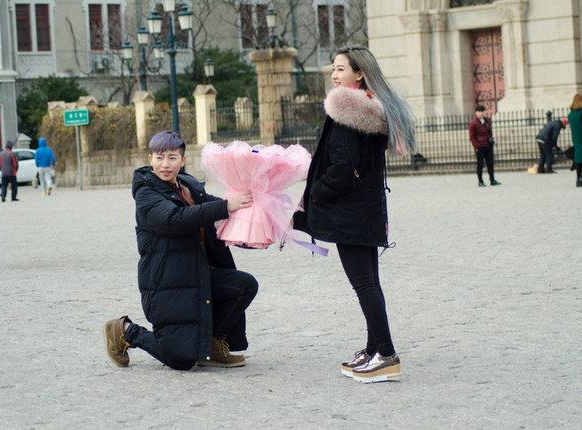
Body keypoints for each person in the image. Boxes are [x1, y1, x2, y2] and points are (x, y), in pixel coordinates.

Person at [293, 46, 416, 384]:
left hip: (351, 213)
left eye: (341, 69)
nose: (334, 75)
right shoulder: (370, 109)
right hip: (363, 210)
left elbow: (344, 167)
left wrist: (315, 193)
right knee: (369, 283)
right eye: (333, 69)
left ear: (359, 74)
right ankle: (374, 347)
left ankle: (386, 354)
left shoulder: (348, 110)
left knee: (364, 285)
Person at [104, 131, 258, 370]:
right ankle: (126, 331)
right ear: (150, 159)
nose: (165, 164)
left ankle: (211, 344)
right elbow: (173, 219)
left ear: (183, 160)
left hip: (195, 273)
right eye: (160, 157)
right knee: (181, 360)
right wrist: (225, 206)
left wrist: (250, 205)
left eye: (172, 157)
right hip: (166, 280)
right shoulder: (146, 193)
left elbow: (211, 204)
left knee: (244, 285)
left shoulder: (187, 185)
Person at [468, 105, 501, 187]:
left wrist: (491, 139)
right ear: (476, 113)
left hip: (488, 146)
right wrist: (476, 147)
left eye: (482, 112)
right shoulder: (473, 123)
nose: (480, 113)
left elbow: (489, 132)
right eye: (479, 112)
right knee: (480, 165)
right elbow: (472, 137)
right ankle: (480, 181)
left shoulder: (486, 121)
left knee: (490, 163)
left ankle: (492, 180)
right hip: (480, 147)